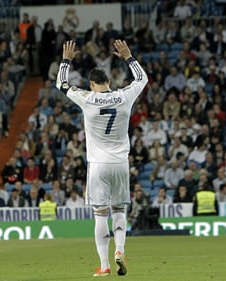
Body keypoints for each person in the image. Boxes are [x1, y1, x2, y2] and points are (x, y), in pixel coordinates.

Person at [56, 40, 147, 277]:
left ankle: (105, 265)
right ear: (108, 83)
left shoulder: (86, 97)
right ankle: (120, 251)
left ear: (91, 84)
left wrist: (66, 60)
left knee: (100, 214)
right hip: (120, 164)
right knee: (119, 211)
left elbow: (61, 84)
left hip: (97, 165)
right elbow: (142, 80)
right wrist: (129, 57)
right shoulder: (123, 96)